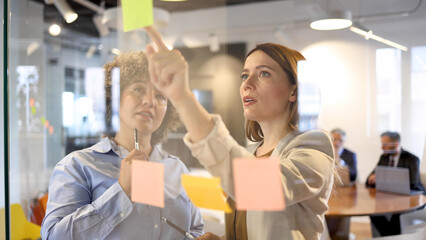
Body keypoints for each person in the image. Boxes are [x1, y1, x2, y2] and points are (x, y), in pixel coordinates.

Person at [144, 26, 335, 240]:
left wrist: (183, 97)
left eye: (264, 73)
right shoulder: (251, 152)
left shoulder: (314, 145)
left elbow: (262, 188)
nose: (247, 84)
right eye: (245, 75)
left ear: (293, 90)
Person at [41, 51, 204, 240]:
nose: (150, 101)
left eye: (160, 96)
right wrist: (121, 192)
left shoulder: (177, 169)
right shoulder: (77, 166)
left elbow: (194, 229)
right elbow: (53, 237)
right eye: (138, 89)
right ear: (115, 97)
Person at [366, 131, 425, 236]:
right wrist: (371, 179)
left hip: (412, 199)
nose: (382, 147)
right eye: (382, 144)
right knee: (373, 212)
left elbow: (413, 183)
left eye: (385, 145)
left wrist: (383, 178)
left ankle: (389, 237)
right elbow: (369, 180)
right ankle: (392, 237)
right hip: (390, 198)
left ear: (396, 144)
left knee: (396, 215)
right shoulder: (384, 157)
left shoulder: (412, 159)